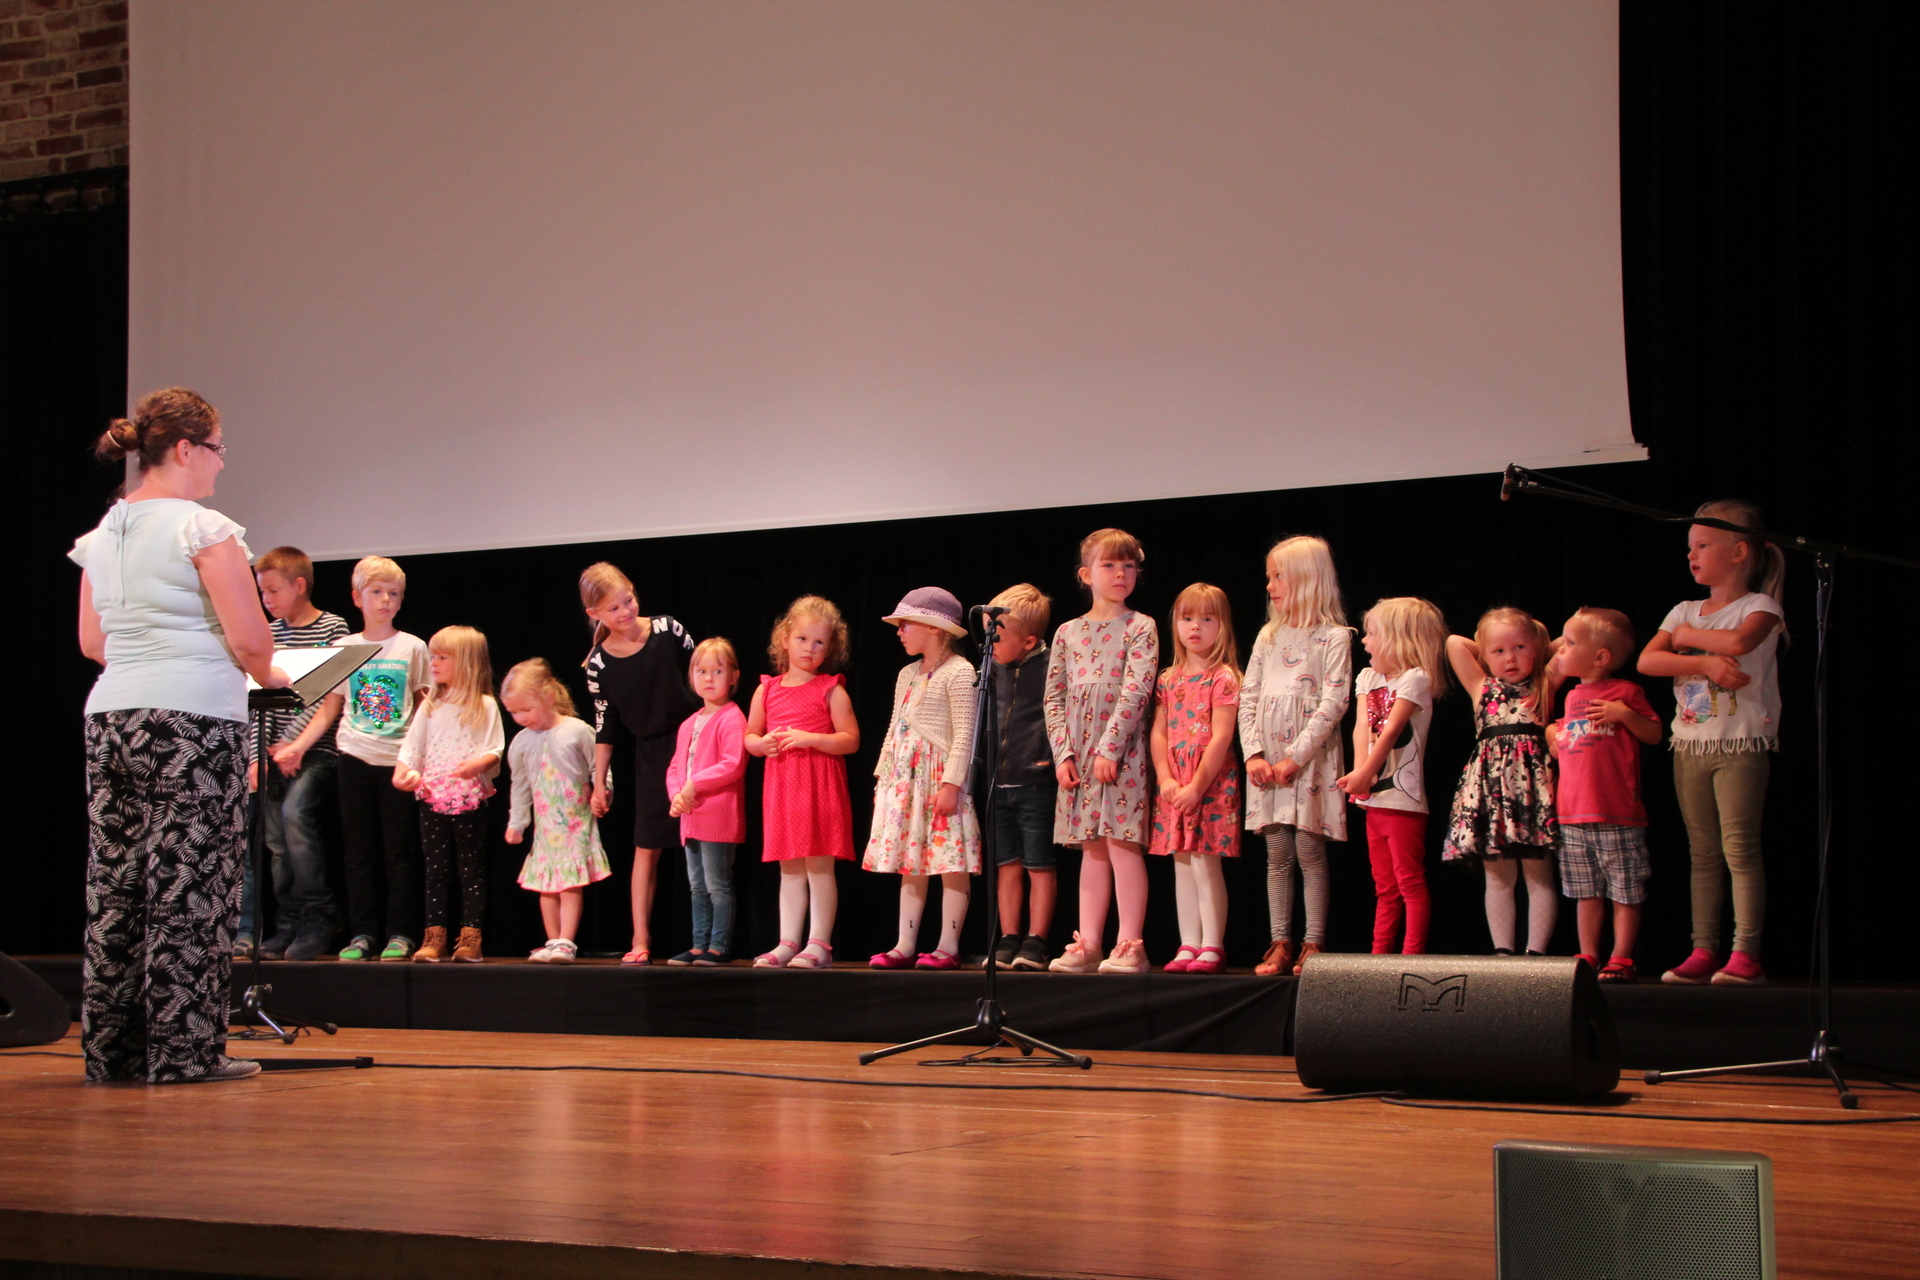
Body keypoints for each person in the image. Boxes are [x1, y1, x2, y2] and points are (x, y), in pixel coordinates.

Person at [70, 387, 288, 1083]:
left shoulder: (105, 531)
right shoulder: (203, 528)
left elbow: (93, 642)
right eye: (218, 449)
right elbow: (251, 640)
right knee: (190, 885)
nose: (222, 463)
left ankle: (114, 1052)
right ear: (187, 449)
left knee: (118, 885)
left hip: (112, 716)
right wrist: (278, 677)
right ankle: (183, 1054)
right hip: (191, 719)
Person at [1638, 500, 1786, 987]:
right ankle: (1703, 949)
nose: (1691, 555)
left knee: (1739, 849)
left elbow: (1741, 643)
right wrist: (1701, 660)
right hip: (1690, 746)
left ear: (1739, 552)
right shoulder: (1684, 611)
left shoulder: (1759, 607)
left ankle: (1746, 954)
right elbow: (1648, 661)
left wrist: (1688, 640)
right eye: (1690, 547)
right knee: (1702, 854)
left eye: (1702, 545)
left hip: (1740, 743)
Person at [1045, 528, 1159, 974]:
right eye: (1109, 565)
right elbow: (1054, 697)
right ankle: (1089, 943)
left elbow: (1136, 690)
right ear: (1086, 574)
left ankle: (1131, 943)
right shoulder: (1067, 632)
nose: (1120, 573)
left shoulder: (1140, 626)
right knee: (1091, 846)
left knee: (1122, 842)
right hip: (1078, 755)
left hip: (1121, 753)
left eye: (1128, 565)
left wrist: (1110, 749)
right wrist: (1063, 754)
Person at [1239, 536, 1352, 978]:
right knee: (1277, 853)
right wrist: (1253, 754)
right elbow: (1248, 696)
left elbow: (1334, 702)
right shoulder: (1269, 636)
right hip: (1268, 763)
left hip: (1309, 762)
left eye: (1278, 577)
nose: (1269, 586)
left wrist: (1296, 757)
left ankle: (1313, 942)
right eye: (1269, 577)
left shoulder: (1334, 638)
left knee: (1308, 848)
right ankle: (1280, 941)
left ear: (1306, 579)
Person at [581, 562, 697, 966]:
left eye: (628, 601)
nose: (625, 612)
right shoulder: (599, 665)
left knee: (706, 845)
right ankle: (640, 937)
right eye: (613, 609)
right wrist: (599, 782)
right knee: (646, 848)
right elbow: (605, 725)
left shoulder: (667, 630)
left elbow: (704, 674)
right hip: (650, 756)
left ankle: (710, 939)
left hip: (695, 742)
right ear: (595, 614)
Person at [863, 588, 981, 971]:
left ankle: (948, 946)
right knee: (910, 862)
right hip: (905, 781)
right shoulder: (906, 674)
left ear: (933, 628)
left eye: (906, 624)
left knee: (950, 861)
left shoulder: (959, 671)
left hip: (939, 781)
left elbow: (964, 734)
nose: (899, 632)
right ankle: (905, 944)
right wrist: (882, 777)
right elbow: (894, 728)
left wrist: (952, 784)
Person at [243, 545, 348, 961]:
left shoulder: (332, 627)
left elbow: (326, 695)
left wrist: (294, 744)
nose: (266, 600)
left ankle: (318, 918)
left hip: (315, 750)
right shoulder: (269, 634)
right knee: (275, 840)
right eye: (262, 592)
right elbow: (260, 702)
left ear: (299, 585)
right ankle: (288, 923)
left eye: (273, 591)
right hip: (273, 755)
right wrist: (258, 755)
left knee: (295, 818)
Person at [1441, 607, 1564, 956]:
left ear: (1535, 648)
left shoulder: (1544, 681)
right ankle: (1503, 952)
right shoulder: (1481, 685)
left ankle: (1535, 953)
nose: (1510, 658)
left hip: (1532, 791)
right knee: (1497, 877)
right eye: (1499, 651)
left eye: (1519, 648)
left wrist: (1537, 642)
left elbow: (1569, 643)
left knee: (1539, 875)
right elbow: (1453, 643)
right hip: (1492, 789)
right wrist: (1488, 646)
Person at [1549, 609, 1662, 983]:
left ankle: (1621, 957)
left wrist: (1623, 714)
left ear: (1600, 657)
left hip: (1616, 813)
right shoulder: (1571, 696)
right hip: (1573, 813)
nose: (1561, 649)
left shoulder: (1625, 692)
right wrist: (1552, 733)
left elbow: (1653, 734)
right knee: (1585, 891)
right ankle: (1588, 954)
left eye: (1570, 642)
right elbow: (1570, 735)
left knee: (1625, 890)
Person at [747, 596, 859, 968]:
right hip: (782, 788)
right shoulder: (767, 689)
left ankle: (820, 944)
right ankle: (788, 941)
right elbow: (750, 736)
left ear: (830, 648)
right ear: (785, 639)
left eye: (819, 642)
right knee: (790, 867)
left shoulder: (831, 689)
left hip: (819, 786)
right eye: (802, 639)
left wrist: (810, 739)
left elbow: (851, 740)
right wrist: (760, 745)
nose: (809, 648)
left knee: (819, 866)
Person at [333, 556, 431, 962]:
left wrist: (420, 758)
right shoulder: (344, 647)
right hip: (354, 756)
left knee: (400, 850)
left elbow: (425, 704)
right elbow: (331, 705)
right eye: (376, 592)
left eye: (393, 593)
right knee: (358, 851)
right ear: (358, 598)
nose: (386, 600)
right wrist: (297, 745)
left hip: (399, 761)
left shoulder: (413, 647)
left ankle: (401, 933)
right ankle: (362, 933)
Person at [1338, 597, 1447, 956]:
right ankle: (1379, 957)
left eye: (1372, 634)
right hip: (1375, 800)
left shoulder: (1416, 679)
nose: (1365, 641)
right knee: (1384, 887)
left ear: (1398, 639)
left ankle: (1411, 957)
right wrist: (1361, 775)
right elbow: (1361, 728)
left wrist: (1367, 772)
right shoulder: (1368, 677)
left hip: (1404, 802)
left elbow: (1391, 731)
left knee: (1409, 883)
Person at [1147, 584, 1242, 974]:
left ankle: (1212, 945)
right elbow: (1158, 733)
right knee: (1182, 864)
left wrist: (1196, 787)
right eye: (1187, 618)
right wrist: (1166, 779)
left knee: (1205, 863)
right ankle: (1188, 943)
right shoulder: (1168, 680)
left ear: (1222, 626)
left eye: (1206, 619)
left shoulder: (1223, 678)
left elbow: (1221, 737)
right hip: (1176, 782)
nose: (1195, 627)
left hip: (1209, 784)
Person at [395, 626, 504, 963]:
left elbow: (495, 749)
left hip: (469, 799)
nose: (434, 663)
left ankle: (471, 937)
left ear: (466, 662)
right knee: (436, 871)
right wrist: (403, 774)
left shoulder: (484, 705)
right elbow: (411, 749)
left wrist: (477, 766)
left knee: (470, 870)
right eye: (433, 657)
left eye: (442, 657)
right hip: (433, 799)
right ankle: (434, 936)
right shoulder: (431, 706)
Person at [502, 658, 610, 965]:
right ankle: (552, 941)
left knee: (569, 882)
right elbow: (520, 785)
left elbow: (599, 766)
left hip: (574, 821)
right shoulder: (522, 742)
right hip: (546, 827)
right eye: (513, 712)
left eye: (526, 709)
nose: (520, 718)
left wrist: (603, 791)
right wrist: (517, 822)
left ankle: (566, 941)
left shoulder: (577, 731)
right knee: (546, 884)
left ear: (549, 696)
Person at [984, 584, 1058, 971]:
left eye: (997, 635)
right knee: (1007, 863)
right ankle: (1009, 936)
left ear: (1028, 641)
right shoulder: (991, 669)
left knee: (1038, 862)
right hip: (999, 781)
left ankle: (1036, 940)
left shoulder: (1050, 668)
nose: (990, 642)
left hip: (1036, 779)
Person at [664, 639, 748, 966]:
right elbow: (675, 766)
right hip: (691, 818)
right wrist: (676, 795)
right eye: (701, 671)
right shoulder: (689, 723)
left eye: (717, 671)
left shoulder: (732, 718)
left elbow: (732, 764)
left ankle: (718, 946)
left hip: (717, 816)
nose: (709, 678)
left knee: (717, 885)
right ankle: (699, 945)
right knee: (697, 886)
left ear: (734, 676)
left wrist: (692, 785)